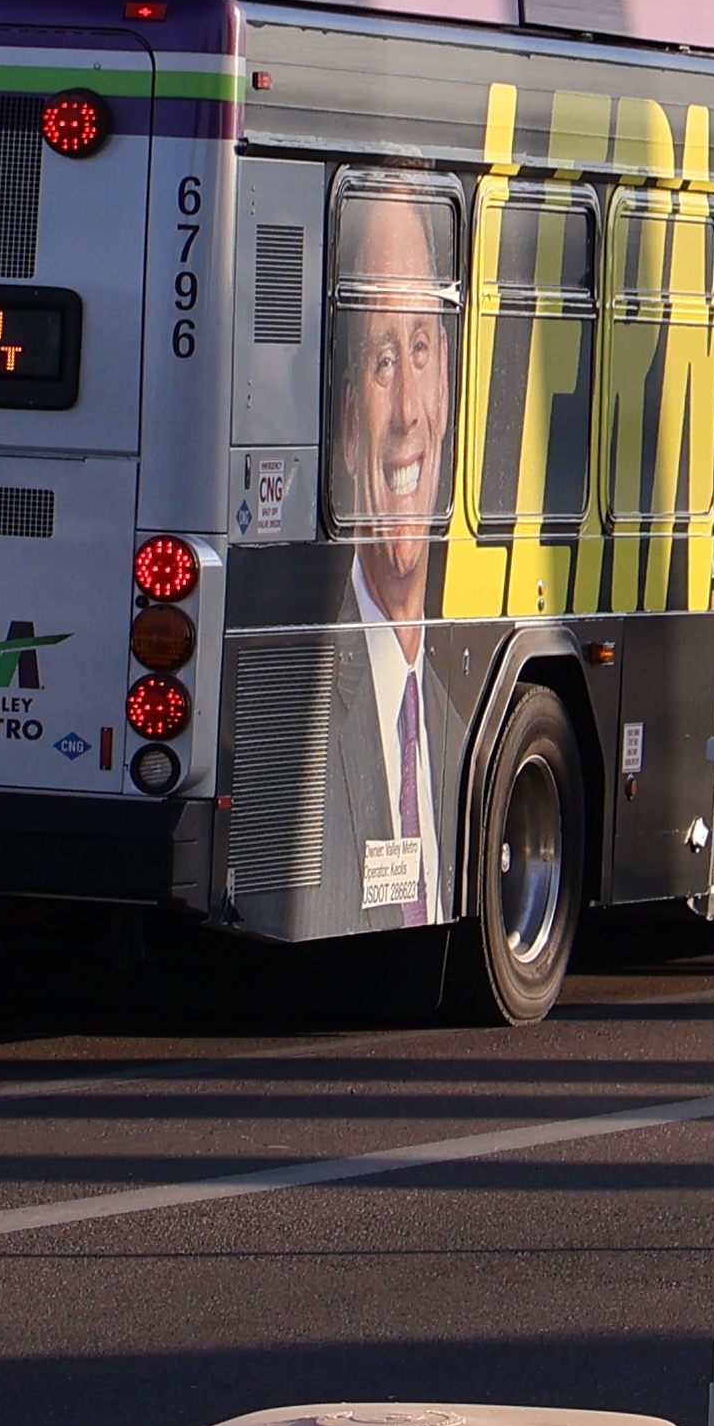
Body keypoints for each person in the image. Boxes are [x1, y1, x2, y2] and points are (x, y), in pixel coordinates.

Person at [326, 185, 458, 927]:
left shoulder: (454, 716)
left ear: (445, 373)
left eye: (418, 351)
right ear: (348, 422)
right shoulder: (309, 715)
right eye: (382, 362)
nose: (408, 411)